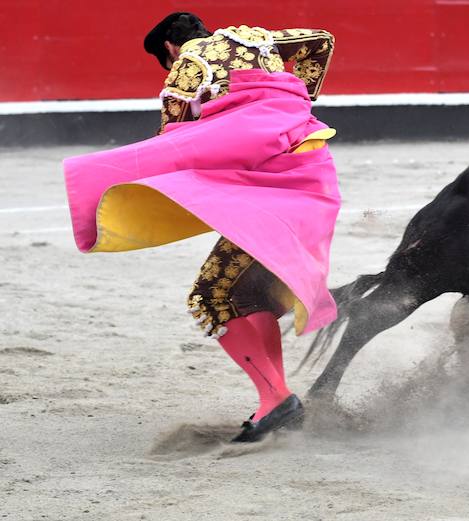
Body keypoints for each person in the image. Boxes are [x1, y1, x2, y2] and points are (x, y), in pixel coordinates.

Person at [63, 12, 340, 442]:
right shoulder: (259, 39)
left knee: (209, 298)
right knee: (250, 292)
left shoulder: (188, 67)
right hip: (308, 175)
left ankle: (277, 400)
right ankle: (275, 399)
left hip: (261, 192)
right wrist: (299, 103)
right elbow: (320, 41)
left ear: (170, 49)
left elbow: (171, 142)